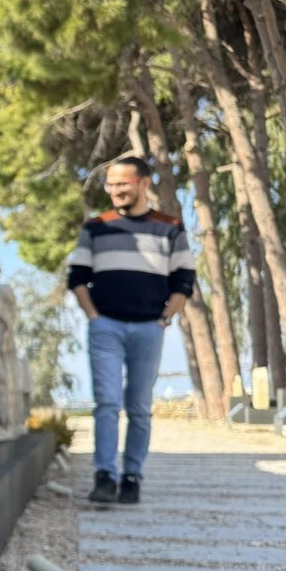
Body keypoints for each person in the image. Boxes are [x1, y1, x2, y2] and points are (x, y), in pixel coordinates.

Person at [66, 156, 195, 505]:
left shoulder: (170, 227)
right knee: (107, 402)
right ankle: (104, 475)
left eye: (122, 183)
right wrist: (92, 315)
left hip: (148, 329)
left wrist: (164, 319)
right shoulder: (96, 227)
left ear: (143, 183)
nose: (115, 190)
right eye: (110, 185)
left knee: (138, 407)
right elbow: (77, 277)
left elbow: (184, 280)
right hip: (105, 326)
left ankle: (133, 476)